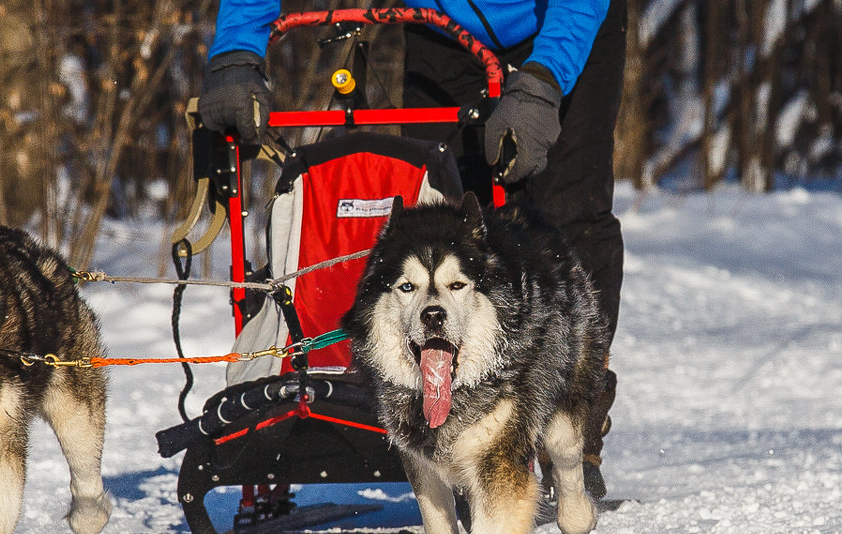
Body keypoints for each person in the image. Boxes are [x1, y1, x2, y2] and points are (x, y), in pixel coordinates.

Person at [199, 0, 626, 498]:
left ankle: (575, 417)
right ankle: (468, 428)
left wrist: (542, 81)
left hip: (563, 26)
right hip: (440, 34)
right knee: (445, 225)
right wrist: (235, 48)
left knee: (567, 217)